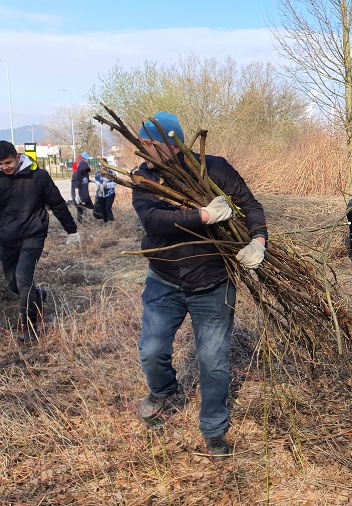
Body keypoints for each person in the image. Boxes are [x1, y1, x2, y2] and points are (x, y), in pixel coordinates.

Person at [131, 112, 268, 460]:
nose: (143, 150)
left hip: (212, 283)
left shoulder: (214, 168)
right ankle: (163, 390)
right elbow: (153, 221)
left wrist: (258, 241)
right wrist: (203, 216)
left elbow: (250, 205)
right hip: (165, 279)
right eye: (142, 142)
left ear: (174, 142)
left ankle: (214, 428)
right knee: (151, 349)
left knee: (214, 362)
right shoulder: (144, 178)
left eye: (151, 143)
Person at [0, 141, 80, 341]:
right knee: (12, 285)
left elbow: (57, 204)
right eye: (0, 165)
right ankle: (38, 296)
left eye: (8, 162)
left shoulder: (39, 176)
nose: (4, 168)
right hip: (6, 237)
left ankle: (29, 326)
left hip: (33, 234)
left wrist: (72, 231)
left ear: (18, 157)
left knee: (22, 278)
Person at [70, 152, 93, 223]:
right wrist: (77, 196)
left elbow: (86, 180)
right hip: (78, 195)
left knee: (90, 207)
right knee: (80, 210)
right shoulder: (76, 175)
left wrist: (94, 181)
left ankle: (87, 221)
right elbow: (76, 186)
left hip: (85, 195)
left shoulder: (85, 173)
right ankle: (81, 223)